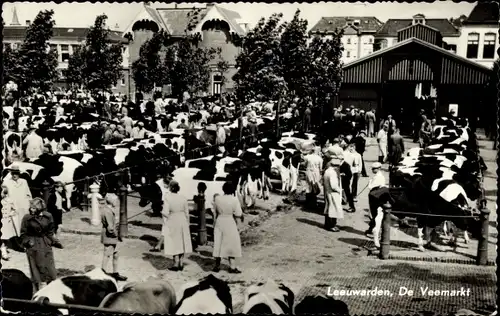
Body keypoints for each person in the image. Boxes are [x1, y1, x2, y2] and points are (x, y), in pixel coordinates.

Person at [20, 198, 63, 291]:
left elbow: (51, 231)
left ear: (40, 208)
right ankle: (37, 291)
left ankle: (51, 290)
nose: (31, 210)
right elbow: (23, 233)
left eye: (34, 208)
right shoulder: (27, 218)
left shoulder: (48, 216)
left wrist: (53, 241)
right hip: (33, 245)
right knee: (36, 270)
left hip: (45, 243)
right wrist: (28, 242)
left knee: (49, 268)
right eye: (31, 207)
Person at [212, 182, 243, 274]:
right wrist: (239, 226)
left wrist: (214, 222)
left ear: (223, 189)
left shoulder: (217, 199)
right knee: (231, 243)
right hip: (229, 221)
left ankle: (217, 265)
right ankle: (232, 266)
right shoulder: (234, 200)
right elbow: (238, 214)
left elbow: (215, 212)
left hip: (220, 221)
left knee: (218, 242)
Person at [162, 181, 192, 271]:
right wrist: (188, 223)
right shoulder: (183, 198)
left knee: (174, 241)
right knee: (182, 240)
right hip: (182, 219)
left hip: (173, 218)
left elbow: (165, 212)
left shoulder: (167, 197)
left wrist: (163, 213)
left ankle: (175, 263)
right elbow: (187, 212)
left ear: (170, 188)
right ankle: (181, 262)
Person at [100, 195, 127, 281]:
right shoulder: (107, 211)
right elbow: (110, 228)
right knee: (107, 255)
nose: (116, 202)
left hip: (111, 236)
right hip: (110, 236)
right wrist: (116, 235)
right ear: (111, 201)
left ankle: (115, 273)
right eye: (115, 201)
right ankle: (102, 274)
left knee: (115, 254)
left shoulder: (108, 209)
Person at [2, 166, 32, 231]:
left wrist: (28, 204)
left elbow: (28, 194)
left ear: (19, 174)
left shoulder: (24, 182)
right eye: (13, 173)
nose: (14, 175)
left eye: (16, 173)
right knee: (14, 225)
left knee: (24, 223)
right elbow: (3, 195)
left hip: (23, 206)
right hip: (14, 206)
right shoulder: (7, 182)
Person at [365, 162, 387, 237]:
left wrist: (370, 182)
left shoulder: (379, 177)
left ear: (379, 169)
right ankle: (371, 229)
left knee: (375, 214)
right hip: (375, 196)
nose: (372, 170)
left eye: (374, 169)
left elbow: (371, 187)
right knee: (373, 214)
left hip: (375, 197)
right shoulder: (377, 176)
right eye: (372, 168)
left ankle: (375, 232)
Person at [323, 159, 343, 232]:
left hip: (328, 192)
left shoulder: (327, 171)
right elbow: (334, 185)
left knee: (328, 208)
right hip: (333, 193)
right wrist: (340, 190)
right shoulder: (333, 173)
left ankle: (327, 224)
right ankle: (332, 225)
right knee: (333, 209)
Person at [1, 185, 18, 260]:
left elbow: (14, 209)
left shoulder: (9, 200)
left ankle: (4, 248)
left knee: (6, 237)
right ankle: (3, 251)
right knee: (1, 238)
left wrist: (11, 213)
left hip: (6, 221)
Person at [340, 148, 355, 213]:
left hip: (345, 182)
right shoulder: (339, 164)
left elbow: (350, 175)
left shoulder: (346, 165)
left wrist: (343, 175)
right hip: (340, 182)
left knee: (348, 194)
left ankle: (352, 207)